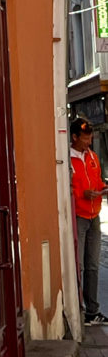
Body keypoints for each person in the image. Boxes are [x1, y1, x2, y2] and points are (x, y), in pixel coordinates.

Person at [70, 116, 108, 325]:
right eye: (85, 138)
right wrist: (82, 194)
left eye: (90, 138)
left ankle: (92, 312)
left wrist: (102, 188)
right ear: (74, 137)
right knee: (79, 266)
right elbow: (66, 189)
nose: (89, 142)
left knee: (93, 265)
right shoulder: (67, 159)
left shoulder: (92, 156)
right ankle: (78, 311)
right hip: (78, 216)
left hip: (94, 216)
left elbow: (97, 181)